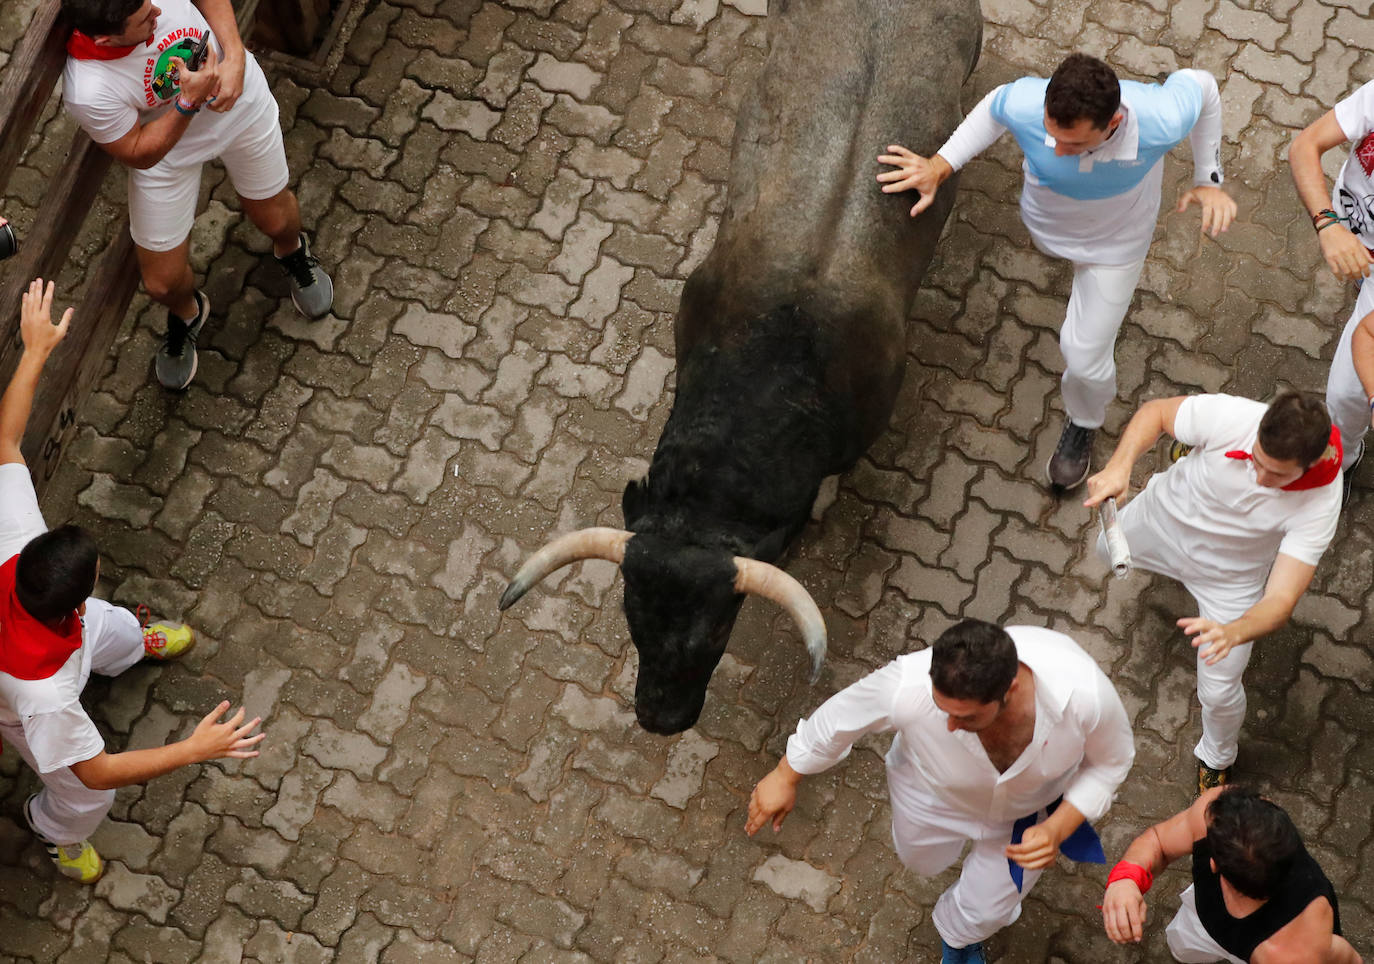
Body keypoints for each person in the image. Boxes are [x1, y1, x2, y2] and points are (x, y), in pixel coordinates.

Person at [0, 278, 265, 883]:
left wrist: (36, 349)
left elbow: (4, 438)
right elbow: (97, 770)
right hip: (18, 704)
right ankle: (57, 834)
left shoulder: (14, 544)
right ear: (70, 598)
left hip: (61, 641)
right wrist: (194, 750)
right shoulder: (46, 702)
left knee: (115, 626)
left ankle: (130, 645)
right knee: (85, 798)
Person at [877, 53, 1236, 490]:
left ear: (1114, 124)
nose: (1058, 150)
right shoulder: (1028, 100)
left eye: (1075, 145)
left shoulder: (1162, 117)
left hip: (1115, 247)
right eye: (1052, 135)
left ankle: (1084, 420)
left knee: (1084, 356)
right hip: (1048, 226)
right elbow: (993, 108)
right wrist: (940, 164)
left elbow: (1202, 86)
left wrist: (1208, 179)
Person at [746, 620, 1134, 964]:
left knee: (990, 909)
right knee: (921, 860)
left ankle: (957, 937)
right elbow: (838, 720)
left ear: (1010, 689)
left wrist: (1059, 828)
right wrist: (785, 775)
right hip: (930, 795)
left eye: (965, 717)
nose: (948, 726)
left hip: (1025, 816)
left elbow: (1112, 763)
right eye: (941, 709)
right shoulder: (908, 684)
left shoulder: (1085, 696)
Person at [60, 0, 333, 391]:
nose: (156, 11)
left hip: (238, 102)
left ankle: (291, 251)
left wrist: (235, 55)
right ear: (105, 39)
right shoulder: (88, 89)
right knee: (162, 283)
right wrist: (187, 104)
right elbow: (140, 152)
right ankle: (189, 312)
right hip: (168, 146)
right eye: (144, 19)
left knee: (275, 219)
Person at [1084, 392, 1340, 793]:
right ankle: (1191, 449)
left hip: (1229, 581)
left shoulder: (1322, 502)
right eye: (1255, 460)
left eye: (1275, 476)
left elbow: (1279, 601)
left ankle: (1217, 757)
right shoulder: (1233, 415)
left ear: (1314, 462)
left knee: (1219, 691)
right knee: (1104, 548)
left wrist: (1234, 632)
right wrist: (1120, 466)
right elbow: (1155, 413)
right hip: (1162, 521)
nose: (1258, 478)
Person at [1102, 786, 1360, 963]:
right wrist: (1126, 879)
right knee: (1183, 943)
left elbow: (1351, 960)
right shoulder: (1234, 812)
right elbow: (1158, 840)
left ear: (1214, 865)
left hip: (1250, 952)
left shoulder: (1299, 951)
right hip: (1205, 921)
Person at [1289, 80, 1374, 486]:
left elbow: (1367, 335)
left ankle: (1342, 462)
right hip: (1349, 233)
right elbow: (1305, 146)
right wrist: (1328, 224)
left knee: (1345, 397)